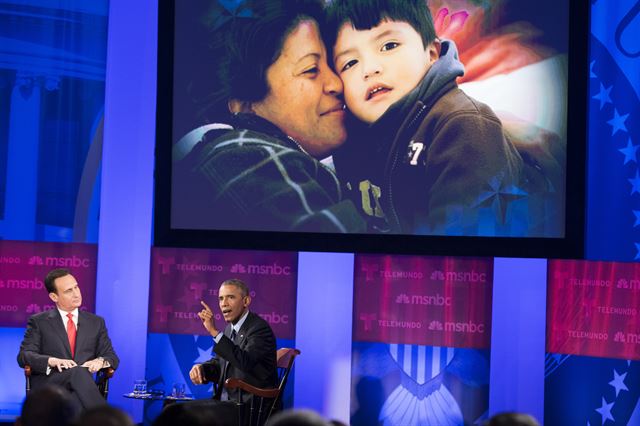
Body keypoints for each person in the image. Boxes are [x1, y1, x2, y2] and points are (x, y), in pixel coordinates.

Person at [326, 0, 562, 236]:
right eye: (350, 63)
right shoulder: (346, 138)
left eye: (389, 46)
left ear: (431, 54)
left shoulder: (462, 127)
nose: (369, 68)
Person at [172, 0, 365, 234]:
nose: (336, 83)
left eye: (333, 64)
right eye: (311, 70)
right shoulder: (241, 158)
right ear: (245, 105)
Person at [17, 268, 119, 412]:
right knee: (76, 372)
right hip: (50, 386)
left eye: (76, 287)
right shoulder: (39, 321)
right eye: (68, 291)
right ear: (54, 297)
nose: (76, 293)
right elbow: (24, 356)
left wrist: (100, 361)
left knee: (76, 398)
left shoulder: (96, 322)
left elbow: (112, 356)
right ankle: (105, 417)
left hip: (81, 389)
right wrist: (52, 361)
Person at [189, 279, 278, 407]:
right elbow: (222, 365)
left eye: (230, 297)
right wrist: (202, 369)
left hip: (248, 406)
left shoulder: (259, 329)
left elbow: (245, 362)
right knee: (173, 408)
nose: (224, 303)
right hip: (227, 403)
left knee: (182, 413)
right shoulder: (229, 329)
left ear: (246, 301)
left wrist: (214, 331)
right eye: (220, 299)